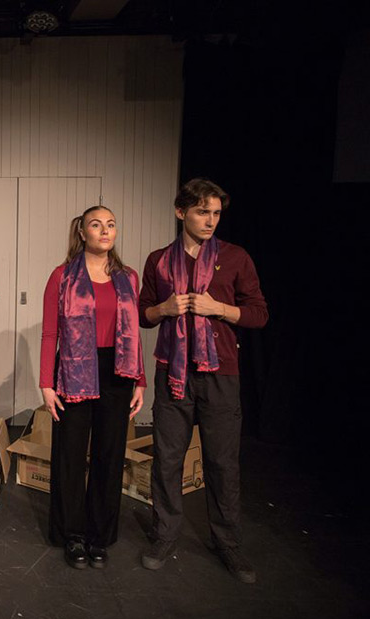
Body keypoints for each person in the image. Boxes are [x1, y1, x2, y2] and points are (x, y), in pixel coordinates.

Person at [138, 178, 268, 584]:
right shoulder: (158, 260)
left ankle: (227, 542)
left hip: (220, 374)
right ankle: (164, 534)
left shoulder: (235, 257)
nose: (211, 220)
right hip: (173, 372)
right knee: (168, 458)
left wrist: (220, 309)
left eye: (216, 213)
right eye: (202, 212)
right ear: (181, 212)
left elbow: (259, 314)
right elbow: (143, 314)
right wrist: (164, 307)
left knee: (222, 462)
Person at [39, 206, 146, 570]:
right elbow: (50, 332)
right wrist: (46, 384)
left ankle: (100, 535)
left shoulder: (128, 277)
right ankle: (72, 535)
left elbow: (134, 333)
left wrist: (139, 381)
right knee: (70, 454)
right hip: (73, 368)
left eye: (111, 224)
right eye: (96, 224)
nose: (105, 230)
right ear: (82, 232)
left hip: (117, 371)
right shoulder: (62, 276)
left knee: (109, 454)